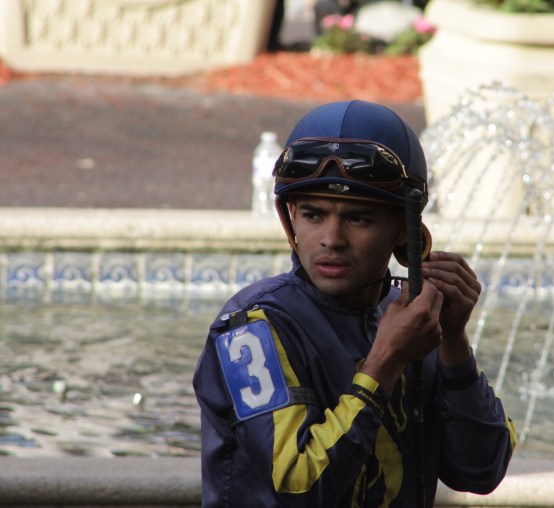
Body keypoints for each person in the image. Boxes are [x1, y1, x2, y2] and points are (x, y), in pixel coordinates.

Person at [193, 100, 516, 507]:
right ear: (290, 218)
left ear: (404, 229)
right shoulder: (251, 327)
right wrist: (384, 362)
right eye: (313, 215)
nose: (332, 239)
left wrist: (453, 342)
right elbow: (298, 485)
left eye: (358, 218)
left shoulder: (414, 321)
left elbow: (481, 471)